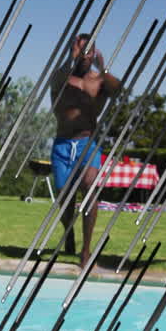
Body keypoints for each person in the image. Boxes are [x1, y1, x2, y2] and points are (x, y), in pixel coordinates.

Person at [50, 33, 122, 267]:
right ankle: (68, 231)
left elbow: (117, 89)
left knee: (89, 189)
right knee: (63, 195)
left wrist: (103, 67)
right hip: (62, 143)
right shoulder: (62, 77)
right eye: (79, 50)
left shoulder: (98, 81)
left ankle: (86, 251)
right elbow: (58, 79)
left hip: (86, 143)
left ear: (94, 53)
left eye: (88, 51)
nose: (83, 55)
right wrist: (69, 60)